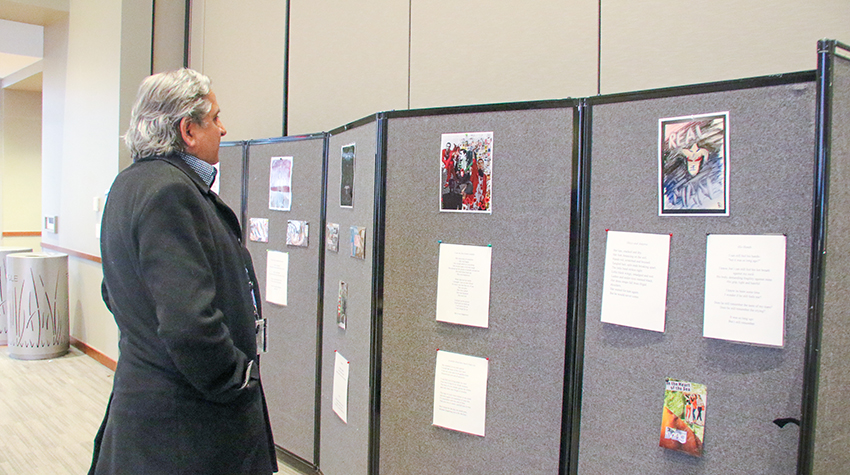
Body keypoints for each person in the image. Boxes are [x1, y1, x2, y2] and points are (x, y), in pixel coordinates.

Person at [90, 68, 277, 474]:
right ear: (187, 130)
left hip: (149, 409)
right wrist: (237, 381)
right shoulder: (171, 193)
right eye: (214, 118)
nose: (224, 129)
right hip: (185, 427)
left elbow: (114, 291)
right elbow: (188, 323)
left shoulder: (128, 185)